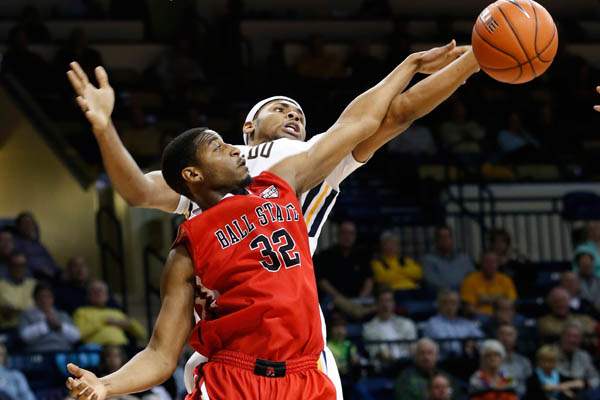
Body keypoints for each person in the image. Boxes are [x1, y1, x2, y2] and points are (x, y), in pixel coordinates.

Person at [67, 42, 480, 399]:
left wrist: (470, 60)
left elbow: (387, 115)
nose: (293, 115)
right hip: (234, 355)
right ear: (246, 128)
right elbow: (138, 189)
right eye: (280, 108)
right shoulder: (209, 173)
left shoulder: (295, 168)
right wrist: (104, 128)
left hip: (299, 346)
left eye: (299, 111)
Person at [73, 280, 146, 346]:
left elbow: (143, 334)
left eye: (101, 291)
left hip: (121, 348)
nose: (99, 294)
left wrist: (129, 324)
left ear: (107, 295)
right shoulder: (81, 312)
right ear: (88, 295)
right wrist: (103, 322)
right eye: (95, 291)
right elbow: (79, 335)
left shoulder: (116, 312)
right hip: (97, 350)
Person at [315, 220, 373, 299]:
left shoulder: (363, 256)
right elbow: (321, 281)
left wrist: (361, 298)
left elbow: (369, 279)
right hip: (333, 300)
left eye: (351, 233)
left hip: (358, 300)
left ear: (355, 236)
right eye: (344, 233)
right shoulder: (325, 256)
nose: (347, 237)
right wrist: (338, 297)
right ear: (338, 235)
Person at [19, 283, 80, 352]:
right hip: (38, 354)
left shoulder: (62, 315)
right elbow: (24, 337)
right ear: (35, 299)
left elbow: (76, 336)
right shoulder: (27, 315)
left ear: (53, 298)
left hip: (63, 353)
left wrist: (60, 327)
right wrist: (46, 325)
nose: (44, 300)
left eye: (48, 296)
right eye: (41, 297)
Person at [363, 288, 417, 366]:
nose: (386, 305)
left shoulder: (407, 323)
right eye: (382, 301)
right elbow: (379, 354)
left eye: (389, 301)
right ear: (376, 304)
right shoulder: (368, 328)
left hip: (409, 365)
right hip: (385, 368)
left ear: (394, 303)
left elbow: (413, 348)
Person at [422, 289, 483, 358]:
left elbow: (482, 340)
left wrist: (474, 344)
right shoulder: (432, 323)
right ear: (438, 305)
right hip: (445, 362)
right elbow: (448, 347)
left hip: (467, 360)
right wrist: (466, 344)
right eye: (445, 302)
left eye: (453, 303)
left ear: (459, 305)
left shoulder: (466, 323)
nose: (449, 306)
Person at [395, 338, 462, 400]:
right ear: (415, 356)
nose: (426, 357)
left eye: (430, 353)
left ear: (436, 356)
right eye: (422, 353)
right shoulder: (405, 378)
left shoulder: (446, 376)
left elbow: (457, 396)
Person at [460, 251, 517, 316]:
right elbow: (468, 309)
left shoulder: (505, 280)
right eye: (487, 262)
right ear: (481, 263)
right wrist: (499, 299)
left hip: (504, 316)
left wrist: (483, 300)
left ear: (498, 264)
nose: (490, 265)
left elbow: (511, 303)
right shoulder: (470, 280)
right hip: (480, 317)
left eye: (493, 262)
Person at [422, 226, 475, 291]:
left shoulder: (464, 258)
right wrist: (450, 290)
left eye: (447, 236)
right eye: (441, 237)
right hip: (443, 297)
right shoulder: (429, 260)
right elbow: (432, 281)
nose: (445, 240)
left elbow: (473, 276)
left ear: (452, 239)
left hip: (465, 294)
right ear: (436, 241)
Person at [13, 212, 60, 281]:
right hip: (37, 277)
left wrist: (60, 272)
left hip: (53, 275)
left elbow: (51, 261)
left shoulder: (39, 245)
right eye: (25, 223)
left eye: (31, 223)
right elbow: (20, 262)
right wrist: (41, 270)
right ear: (18, 227)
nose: (29, 225)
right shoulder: (16, 243)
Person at [557, 323, 600, 390]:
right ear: (562, 336)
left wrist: (585, 383)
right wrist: (569, 385)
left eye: (576, 337)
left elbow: (596, 378)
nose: (572, 340)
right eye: (568, 336)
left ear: (580, 340)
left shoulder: (584, 355)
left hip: (581, 393)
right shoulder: (550, 353)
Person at [0, 253, 36, 330]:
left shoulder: (34, 284)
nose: (19, 269)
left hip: (34, 327)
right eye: (15, 265)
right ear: (9, 267)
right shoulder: (1, 286)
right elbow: (6, 314)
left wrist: (17, 310)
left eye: (22, 265)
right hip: (11, 328)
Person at [497, 324, 532, 398]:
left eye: (509, 335)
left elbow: (530, 386)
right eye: (502, 334)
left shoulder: (524, 362)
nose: (505, 338)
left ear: (516, 338)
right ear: (497, 337)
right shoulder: (489, 361)